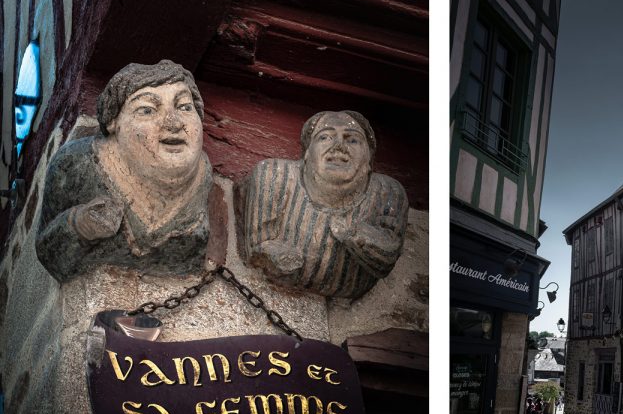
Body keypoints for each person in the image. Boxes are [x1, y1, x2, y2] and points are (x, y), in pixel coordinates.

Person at [37, 60, 211, 282]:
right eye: (147, 110)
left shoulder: (203, 173)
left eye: (185, 107)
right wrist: (81, 224)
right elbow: (49, 254)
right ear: (114, 122)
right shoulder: (77, 163)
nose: (173, 123)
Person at [237, 110, 409, 298]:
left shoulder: (386, 192)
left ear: (369, 159)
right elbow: (260, 246)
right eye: (325, 137)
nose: (339, 146)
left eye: (353, 140)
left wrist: (355, 234)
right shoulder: (275, 175)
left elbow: (388, 254)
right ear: (307, 153)